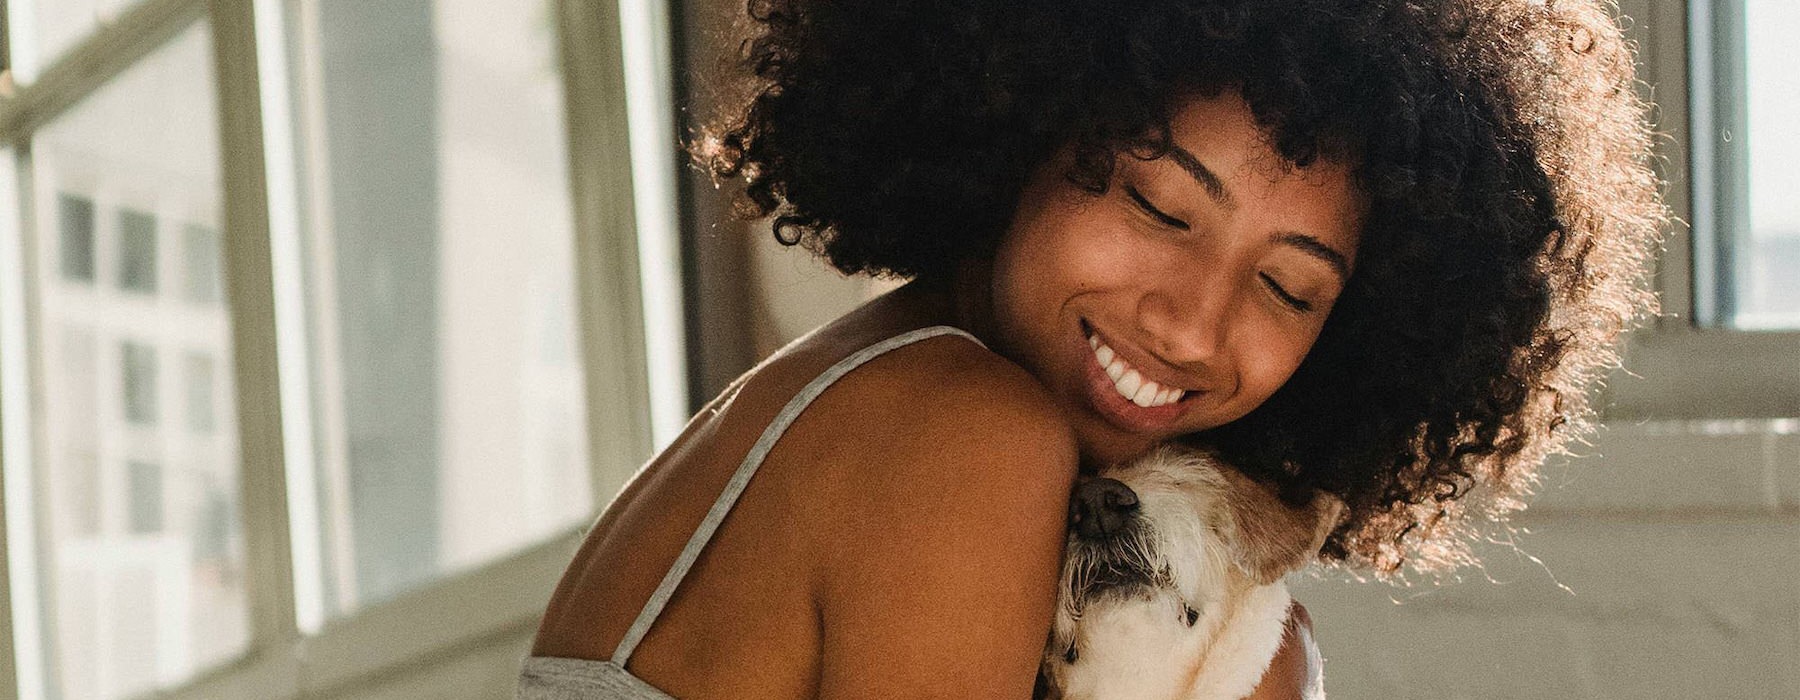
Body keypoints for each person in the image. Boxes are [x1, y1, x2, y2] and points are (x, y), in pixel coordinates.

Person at [522, 0, 1663, 697]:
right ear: (1024, 116)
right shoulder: (964, 437)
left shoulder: (863, 392)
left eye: (1287, 285)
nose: (1190, 324)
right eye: (1162, 209)